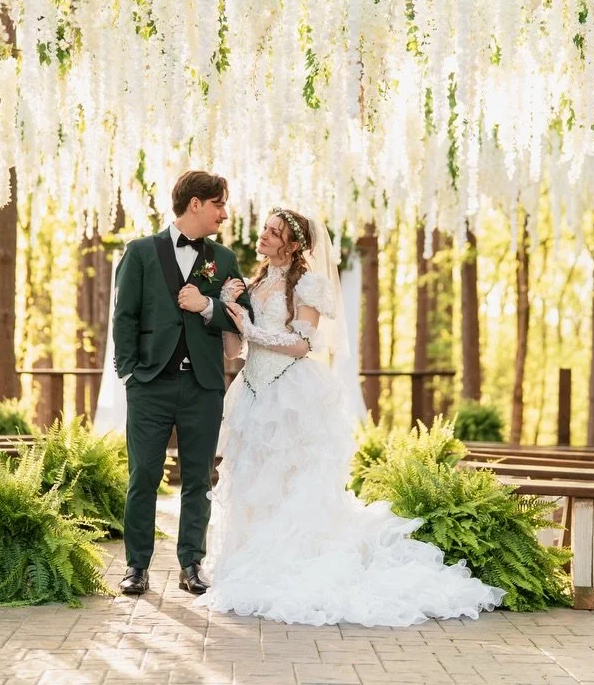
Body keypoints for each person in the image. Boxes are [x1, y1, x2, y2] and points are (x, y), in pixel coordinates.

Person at [199, 208, 503, 626]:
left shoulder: (310, 284)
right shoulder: (251, 283)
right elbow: (235, 351)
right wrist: (228, 308)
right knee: (254, 479)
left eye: (273, 232)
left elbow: (302, 344)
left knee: (291, 479)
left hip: (291, 393)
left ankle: (293, 560)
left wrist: (250, 328)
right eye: (265, 230)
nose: (264, 236)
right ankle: (250, 557)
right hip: (253, 393)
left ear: (292, 244)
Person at [110, 170, 251, 596]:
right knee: (143, 476)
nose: (223, 214)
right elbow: (125, 316)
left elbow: (244, 318)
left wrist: (209, 305)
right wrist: (130, 372)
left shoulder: (223, 260)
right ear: (195, 204)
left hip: (203, 386)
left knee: (198, 478)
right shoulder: (140, 253)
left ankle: (192, 563)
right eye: (218, 205)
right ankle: (136, 566)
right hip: (150, 384)